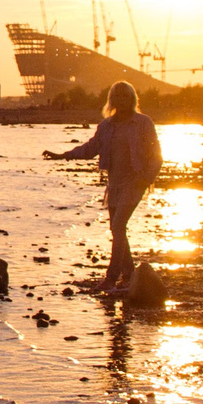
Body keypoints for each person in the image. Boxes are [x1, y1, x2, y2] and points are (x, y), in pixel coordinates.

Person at [44, 80, 164, 294]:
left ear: (133, 99)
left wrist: (147, 179)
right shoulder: (107, 125)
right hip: (114, 183)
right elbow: (91, 148)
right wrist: (63, 155)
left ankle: (111, 277)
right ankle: (129, 276)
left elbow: (156, 156)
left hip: (135, 182)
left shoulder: (143, 123)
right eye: (118, 96)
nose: (122, 100)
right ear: (112, 100)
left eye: (126, 96)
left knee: (118, 226)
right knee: (116, 229)